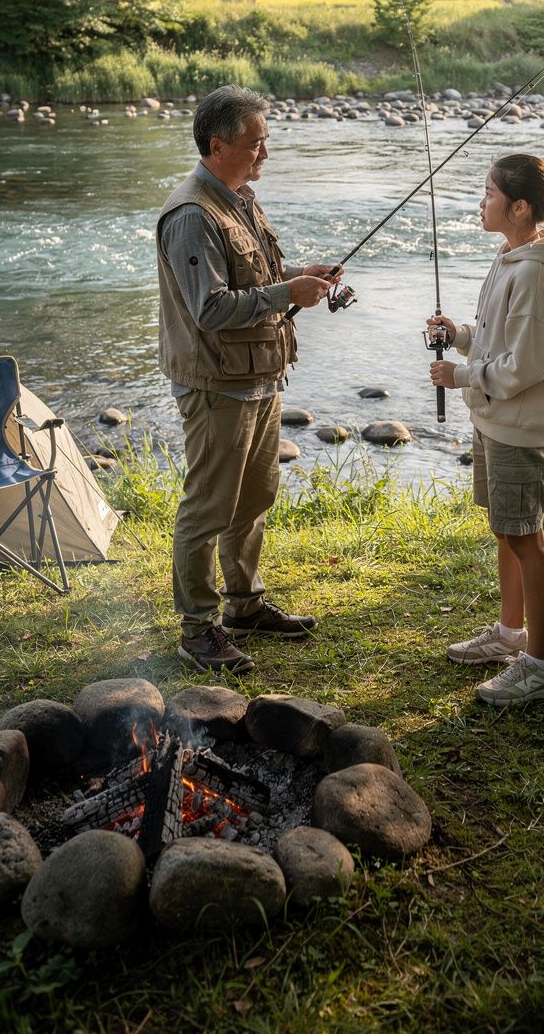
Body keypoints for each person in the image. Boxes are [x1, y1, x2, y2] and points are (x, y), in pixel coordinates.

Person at [156, 84, 341, 675]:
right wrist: (287, 295)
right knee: (208, 506)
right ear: (217, 145)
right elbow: (210, 308)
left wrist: (297, 274)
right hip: (217, 383)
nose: (265, 155)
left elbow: (250, 272)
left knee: (255, 496)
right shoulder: (191, 214)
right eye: (255, 145)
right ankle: (197, 628)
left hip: (258, 374)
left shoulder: (238, 197)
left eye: (266, 142)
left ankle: (244, 606)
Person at [428, 152, 544, 707]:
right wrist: (463, 334)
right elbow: (500, 337)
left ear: (519, 207)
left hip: (521, 426)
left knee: (526, 537)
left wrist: (461, 373)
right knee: (506, 530)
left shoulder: (538, 273)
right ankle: (510, 633)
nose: (482, 202)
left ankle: (538, 666)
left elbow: (527, 365)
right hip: (497, 418)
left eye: (490, 194)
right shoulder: (510, 256)